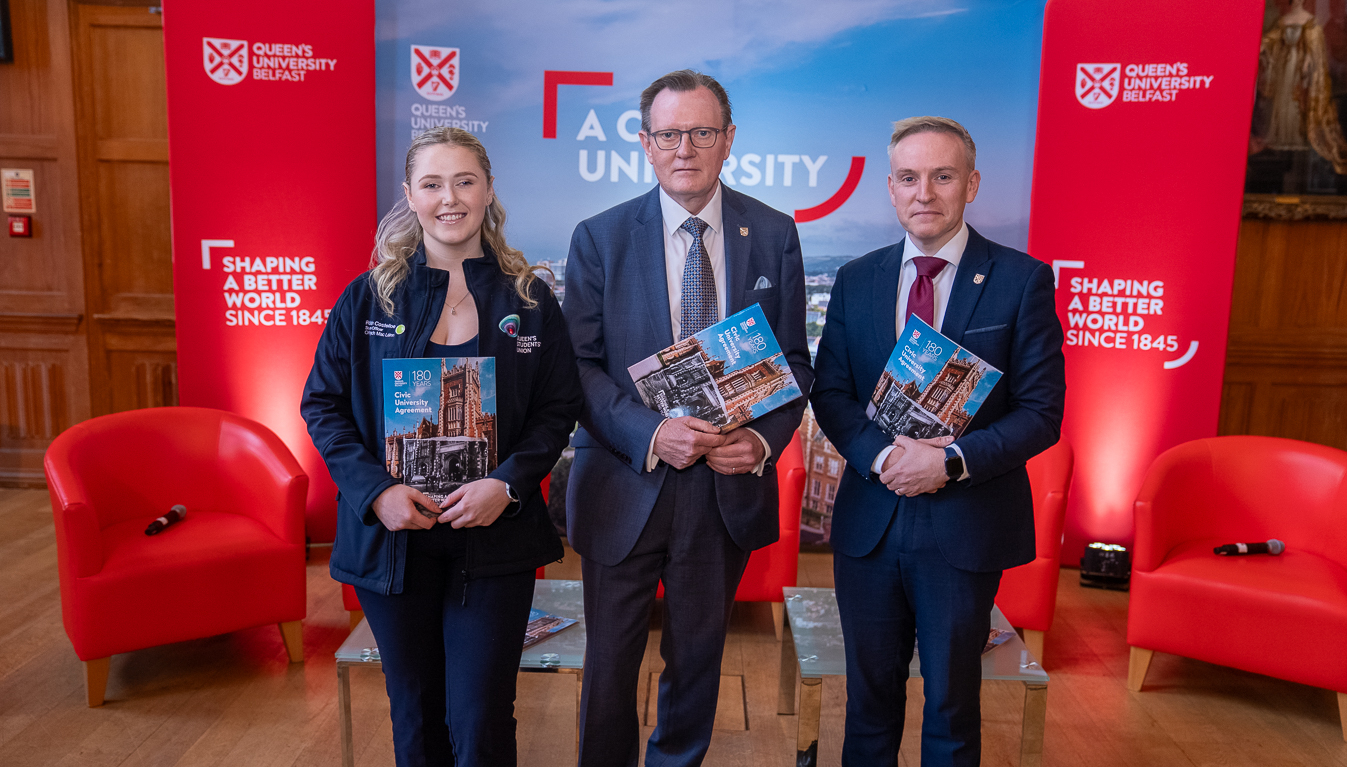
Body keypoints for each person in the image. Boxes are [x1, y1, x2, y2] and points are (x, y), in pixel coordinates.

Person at [301, 127, 582, 767]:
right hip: (395, 539)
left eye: (464, 181)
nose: (448, 198)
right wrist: (376, 492)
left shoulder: (531, 301)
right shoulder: (366, 297)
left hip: (494, 538)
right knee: (418, 712)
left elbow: (558, 408)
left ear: (487, 192)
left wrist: (506, 484)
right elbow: (322, 405)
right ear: (410, 196)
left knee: (481, 715)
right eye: (432, 184)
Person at [562, 69, 812, 767]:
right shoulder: (598, 237)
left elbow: (792, 362)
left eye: (701, 132)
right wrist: (650, 434)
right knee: (609, 668)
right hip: (623, 482)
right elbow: (576, 368)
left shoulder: (773, 234)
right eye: (669, 133)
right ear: (644, 143)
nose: (684, 148)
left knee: (697, 662)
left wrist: (761, 439)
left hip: (722, 492)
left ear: (728, 140)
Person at [810, 116, 1065, 767]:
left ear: (970, 183)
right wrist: (882, 455)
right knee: (867, 701)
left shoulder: (1019, 280)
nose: (924, 192)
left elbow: (1041, 412)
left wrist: (948, 462)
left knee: (951, 706)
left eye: (942, 175)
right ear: (890, 190)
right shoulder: (856, 278)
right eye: (908, 177)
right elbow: (831, 393)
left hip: (965, 525)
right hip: (870, 519)